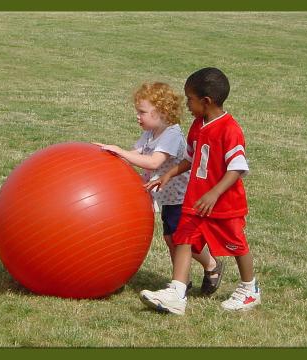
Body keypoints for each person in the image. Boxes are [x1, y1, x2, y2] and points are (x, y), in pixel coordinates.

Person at [140, 68, 261, 314]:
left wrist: (214, 193)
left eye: (190, 100)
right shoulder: (198, 125)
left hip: (223, 204)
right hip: (196, 201)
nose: (187, 105)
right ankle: (177, 291)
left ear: (206, 101)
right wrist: (169, 174)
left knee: (237, 245)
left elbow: (237, 168)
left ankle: (250, 289)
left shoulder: (229, 130)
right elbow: (191, 158)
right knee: (183, 238)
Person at [94, 82, 224, 296]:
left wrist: (120, 152)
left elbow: (154, 162)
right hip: (166, 196)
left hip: (181, 196)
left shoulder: (171, 135)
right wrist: (112, 154)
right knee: (172, 238)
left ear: (162, 112)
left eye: (142, 112)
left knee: (179, 238)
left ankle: (210, 265)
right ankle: (182, 280)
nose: (138, 116)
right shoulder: (151, 132)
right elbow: (136, 153)